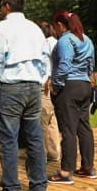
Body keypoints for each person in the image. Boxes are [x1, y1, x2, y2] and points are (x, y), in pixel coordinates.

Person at [0, 0, 50, 191]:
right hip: (33, 87)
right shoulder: (34, 28)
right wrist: (40, 81)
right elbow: (45, 59)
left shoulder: (2, 28)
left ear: (6, 7)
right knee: (34, 136)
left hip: (11, 87)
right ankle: (39, 185)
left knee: (8, 139)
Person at [49, 9, 97, 184]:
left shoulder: (65, 40)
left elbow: (64, 64)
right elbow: (91, 65)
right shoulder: (87, 40)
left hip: (69, 87)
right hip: (85, 86)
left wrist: (56, 85)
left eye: (57, 26)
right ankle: (88, 167)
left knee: (68, 129)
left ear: (61, 25)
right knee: (84, 127)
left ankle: (65, 172)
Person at [39, 21, 61, 166]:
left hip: (45, 84)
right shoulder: (57, 42)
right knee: (52, 120)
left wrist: (49, 78)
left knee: (42, 121)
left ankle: (41, 154)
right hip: (56, 84)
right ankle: (54, 152)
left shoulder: (45, 44)